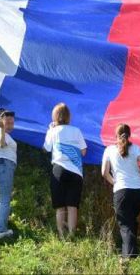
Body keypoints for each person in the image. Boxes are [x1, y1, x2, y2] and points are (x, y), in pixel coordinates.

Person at [101, 123, 140, 260]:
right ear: (129, 135)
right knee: (131, 221)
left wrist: (114, 182)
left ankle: (128, 257)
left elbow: (104, 172)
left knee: (125, 224)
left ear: (115, 135)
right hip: (139, 190)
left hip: (121, 190)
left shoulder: (109, 150)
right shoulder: (136, 148)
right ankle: (132, 253)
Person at [43, 102, 87, 239]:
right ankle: (72, 235)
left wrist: (50, 131)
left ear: (54, 116)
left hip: (59, 169)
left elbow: (46, 149)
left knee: (60, 205)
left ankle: (62, 235)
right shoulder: (76, 130)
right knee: (73, 205)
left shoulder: (52, 131)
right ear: (68, 116)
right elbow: (84, 152)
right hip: (76, 172)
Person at [0, 108, 18, 239]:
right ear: (1, 122)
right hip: (3, 167)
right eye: (8, 122)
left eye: (12, 122)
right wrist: (1, 128)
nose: (11, 125)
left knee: (2, 194)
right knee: (6, 200)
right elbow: (1, 144)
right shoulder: (0, 133)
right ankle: (1, 230)